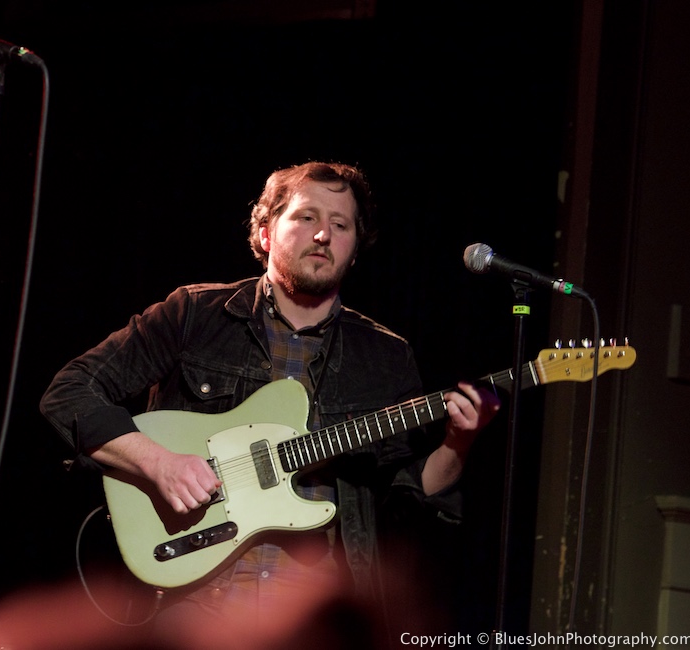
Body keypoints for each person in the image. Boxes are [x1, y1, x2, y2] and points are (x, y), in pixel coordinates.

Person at [39, 161, 500, 646]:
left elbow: (408, 501)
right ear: (264, 233)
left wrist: (458, 442)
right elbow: (69, 392)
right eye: (306, 217)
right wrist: (160, 464)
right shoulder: (193, 315)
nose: (323, 234)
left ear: (354, 251)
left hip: (311, 616)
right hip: (192, 607)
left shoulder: (386, 356)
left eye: (340, 225)